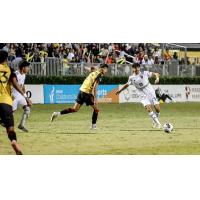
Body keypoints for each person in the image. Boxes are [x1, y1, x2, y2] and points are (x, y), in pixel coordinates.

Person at [50, 64, 109, 129]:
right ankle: (93, 126)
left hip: (81, 91)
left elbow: (92, 69)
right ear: (103, 68)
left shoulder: (94, 72)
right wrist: (95, 99)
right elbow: (94, 88)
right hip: (86, 93)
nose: (106, 71)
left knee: (75, 109)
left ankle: (57, 113)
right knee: (96, 109)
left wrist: (88, 67)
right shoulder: (99, 75)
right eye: (106, 69)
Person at [0, 50, 32, 155]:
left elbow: (21, 85)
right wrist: (26, 97)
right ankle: (13, 141)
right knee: (10, 128)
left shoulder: (22, 74)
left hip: (11, 99)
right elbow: (15, 84)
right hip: (6, 100)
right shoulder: (10, 70)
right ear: (6, 59)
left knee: (25, 109)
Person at [116, 63, 162, 128]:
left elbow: (156, 74)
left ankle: (154, 121)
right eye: (135, 68)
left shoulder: (144, 73)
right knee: (149, 108)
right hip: (142, 95)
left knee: (157, 109)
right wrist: (120, 91)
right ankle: (158, 124)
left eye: (138, 67)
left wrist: (157, 78)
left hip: (150, 92)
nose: (137, 69)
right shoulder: (131, 78)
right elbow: (127, 85)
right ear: (133, 69)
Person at [12, 60, 31, 132]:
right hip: (13, 95)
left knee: (27, 108)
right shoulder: (15, 74)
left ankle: (21, 125)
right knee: (11, 112)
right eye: (27, 67)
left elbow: (22, 86)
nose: (28, 69)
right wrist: (10, 94)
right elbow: (9, 84)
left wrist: (26, 97)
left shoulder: (24, 75)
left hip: (20, 95)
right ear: (23, 68)